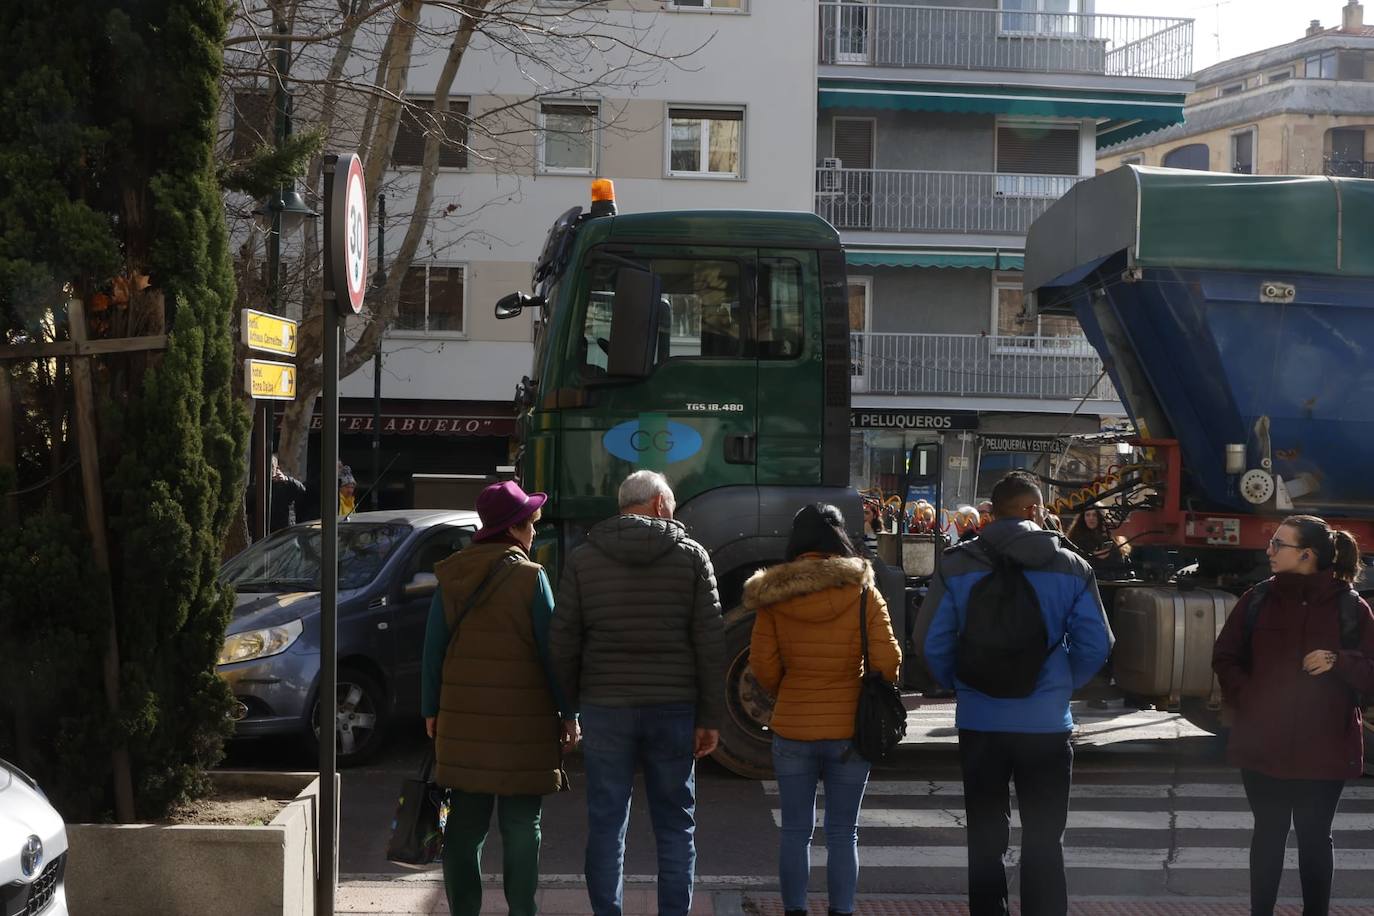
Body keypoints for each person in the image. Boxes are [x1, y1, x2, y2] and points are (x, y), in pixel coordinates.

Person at [920, 472, 1113, 916]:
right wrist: (1061, 684)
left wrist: (962, 683)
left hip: (980, 720)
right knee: (1045, 837)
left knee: (985, 837)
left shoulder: (957, 563)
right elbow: (1097, 644)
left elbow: (930, 640)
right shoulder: (1071, 565)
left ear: (994, 510)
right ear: (1032, 510)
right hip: (1046, 723)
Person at [550, 470, 726, 916]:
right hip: (673, 706)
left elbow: (564, 639)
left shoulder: (584, 557)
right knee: (676, 825)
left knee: (607, 822)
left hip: (606, 706)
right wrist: (710, 716)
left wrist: (569, 707)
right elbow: (710, 644)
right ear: (659, 505)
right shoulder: (692, 556)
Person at [420, 480, 577, 916]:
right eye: (531, 526)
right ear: (514, 529)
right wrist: (569, 713)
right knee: (523, 824)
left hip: (463, 723)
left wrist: (430, 709)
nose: (534, 534)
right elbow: (553, 654)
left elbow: (433, 651)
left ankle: (464, 910)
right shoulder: (532, 577)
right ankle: (522, 911)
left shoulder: (451, 574)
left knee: (464, 829)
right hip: (523, 727)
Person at [1212, 515, 1374, 916]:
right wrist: (1253, 698)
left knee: (1315, 838)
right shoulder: (1257, 599)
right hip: (1262, 742)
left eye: (1278, 544)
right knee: (1267, 834)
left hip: (1326, 746)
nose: (1269, 550)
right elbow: (1225, 657)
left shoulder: (1351, 607)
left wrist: (1339, 660)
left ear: (1306, 555)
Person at [745, 503, 902, 916]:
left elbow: (761, 666)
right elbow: (889, 660)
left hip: (793, 727)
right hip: (851, 728)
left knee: (795, 832)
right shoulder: (863, 590)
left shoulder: (774, 596)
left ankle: (794, 909)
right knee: (843, 833)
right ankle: (842, 910)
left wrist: (790, 688)